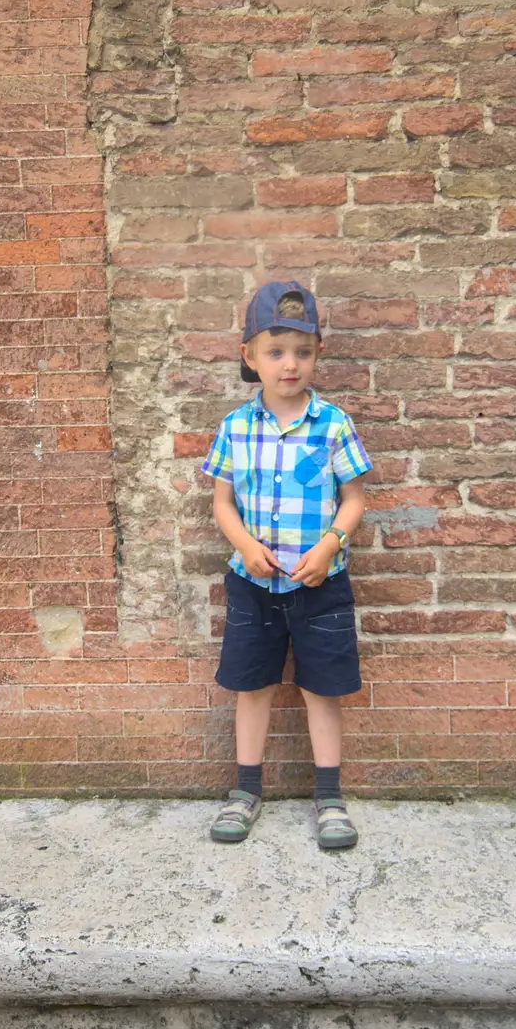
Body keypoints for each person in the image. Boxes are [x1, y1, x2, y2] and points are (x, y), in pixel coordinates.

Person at [200, 279, 371, 851]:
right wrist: (246, 546)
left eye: (302, 351)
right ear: (250, 357)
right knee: (253, 685)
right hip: (253, 584)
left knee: (323, 687)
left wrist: (330, 545)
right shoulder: (235, 427)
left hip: (322, 584)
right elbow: (221, 501)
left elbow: (354, 498)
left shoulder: (333, 424)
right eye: (275, 352)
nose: (289, 364)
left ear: (318, 353)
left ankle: (329, 797)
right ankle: (247, 790)